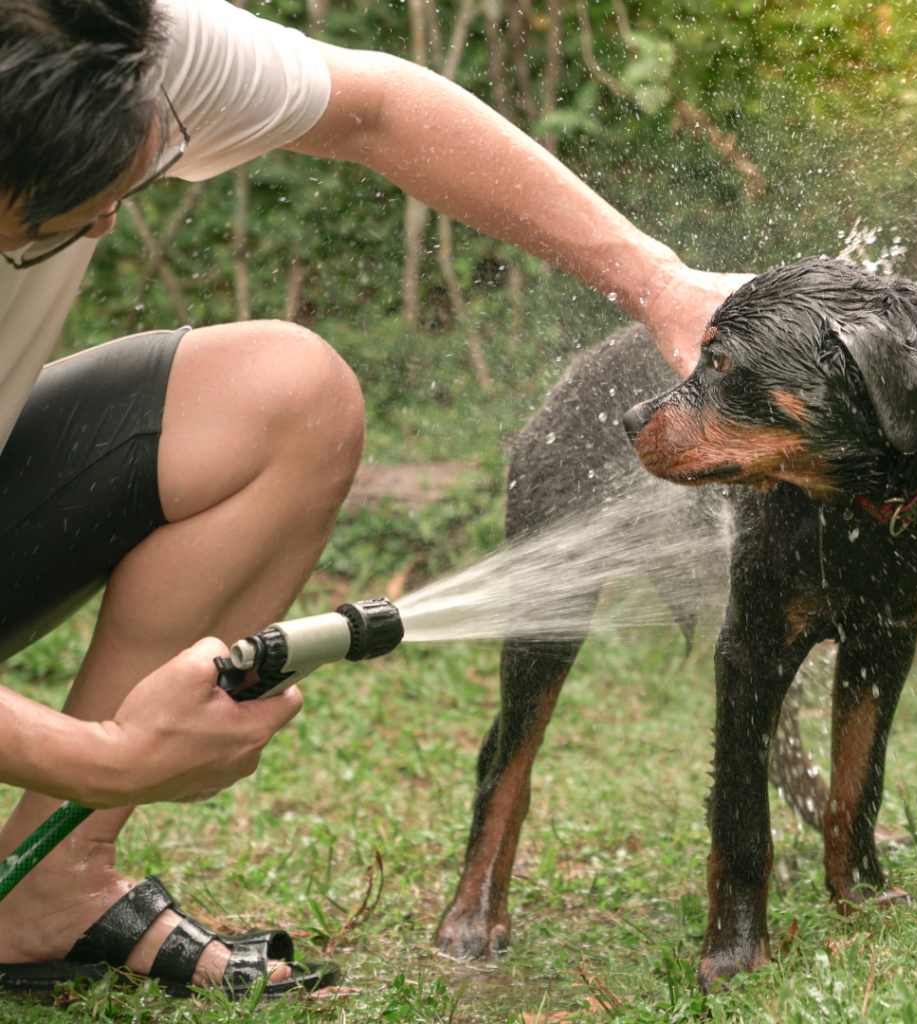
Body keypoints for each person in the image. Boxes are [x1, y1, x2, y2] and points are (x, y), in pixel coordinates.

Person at [0, 0, 750, 1000]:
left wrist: (655, 281)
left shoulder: (98, 39)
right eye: (53, 224)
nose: (105, 221)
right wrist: (105, 756)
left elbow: (377, 109)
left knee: (284, 398)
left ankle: (46, 889)